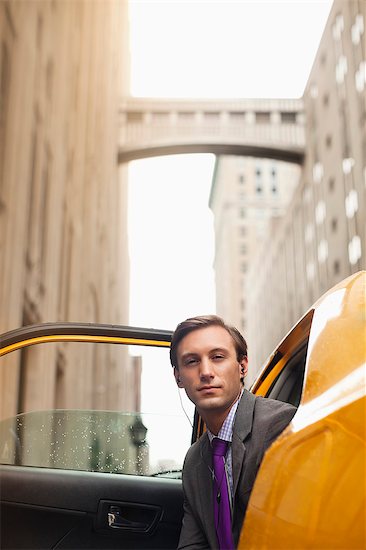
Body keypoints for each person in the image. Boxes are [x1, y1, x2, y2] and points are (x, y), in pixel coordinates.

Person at [170, 315, 296, 549]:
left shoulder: (281, 426)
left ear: (242, 366)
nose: (206, 371)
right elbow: (193, 544)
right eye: (191, 361)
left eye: (217, 357)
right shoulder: (194, 461)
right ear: (178, 376)